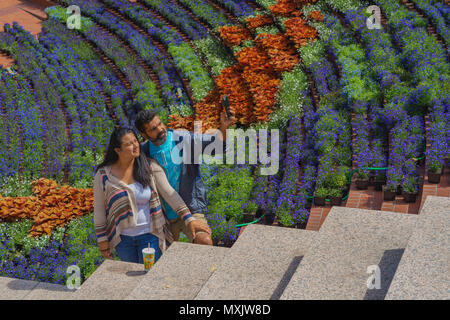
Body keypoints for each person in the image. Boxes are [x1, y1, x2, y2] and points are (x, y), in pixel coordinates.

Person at [93, 126, 211, 264]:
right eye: (129, 144)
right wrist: (102, 241)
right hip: (123, 240)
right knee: (131, 276)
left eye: (135, 141)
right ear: (117, 150)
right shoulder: (104, 175)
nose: (135, 146)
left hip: (150, 235)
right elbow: (99, 210)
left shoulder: (149, 167)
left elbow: (170, 194)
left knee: (150, 275)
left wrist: (189, 219)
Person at [134, 105, 235, 246]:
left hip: (192, 207)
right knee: (170, 259)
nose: (160, 129)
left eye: (160, 124)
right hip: (164, 217)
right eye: (153, 129)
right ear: (144, 135)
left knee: (204, 241)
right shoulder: (143, 153)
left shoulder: (184, 139)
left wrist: (224, 127)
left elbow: (217, 146)